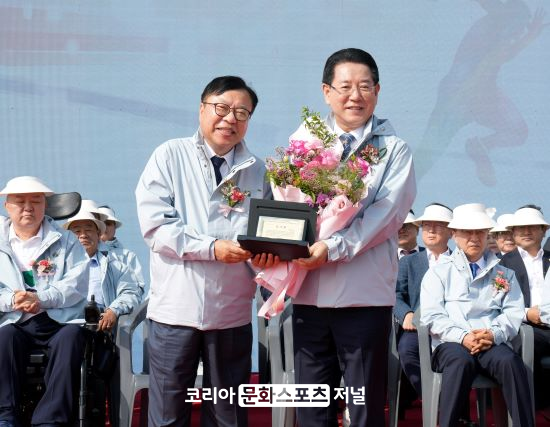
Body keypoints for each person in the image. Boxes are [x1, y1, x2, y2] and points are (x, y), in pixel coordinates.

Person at [135, 76, 276, 427]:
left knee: (228, 416)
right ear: (202, 109)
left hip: (231, 313)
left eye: (241, 112)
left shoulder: (259, 171)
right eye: (222, 108)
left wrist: (269, 258)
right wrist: (211, 248)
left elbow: (266, 233)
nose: (230, 119)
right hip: (175, 312)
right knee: (167, 416)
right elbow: (156, 227)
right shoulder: (170, 155)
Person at [291, 48, 416, 427]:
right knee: (312, 406)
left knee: (363, 406)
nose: (355, 96)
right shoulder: (304, 142)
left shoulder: (393, 149)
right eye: (345, 87)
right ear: (326, 91)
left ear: (377, 91)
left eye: (364, 86)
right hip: (310, 294)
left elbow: (386, 217)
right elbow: (288, 204)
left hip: (364, 296)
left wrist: (331, 248)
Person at [420, 203, 534, 427]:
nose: (474, 237)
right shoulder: (438, 272)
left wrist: (492, 334)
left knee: (510, 362)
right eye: (467, 231)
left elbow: (512, 312)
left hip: (490, 341)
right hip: (451, 343)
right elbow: (432, 316)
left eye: (480, 231)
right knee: (460, 362)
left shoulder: (504, 273)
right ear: (454, 234)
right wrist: (463, 336)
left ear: (487, 234)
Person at [0, 176, 89, 427]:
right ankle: (5, 417)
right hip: (13, 320)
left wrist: (41, 299)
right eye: (20, 202)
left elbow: (76, 285)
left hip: (58, 321)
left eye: (36, 201)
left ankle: (50, 420)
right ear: (7, 206)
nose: (28, 208)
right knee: (4, 338)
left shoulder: (66, 240)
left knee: (72, 338)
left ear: (45, 205)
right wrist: (11, 299)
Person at [394, 203, 453, 400]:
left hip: (453, 328)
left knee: (458, 359)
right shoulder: (409, 262)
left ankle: (450, 400)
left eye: (438, 225)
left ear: (451, 231)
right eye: (427, 225)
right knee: (406, 351)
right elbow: (396, 294)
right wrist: (406, 314)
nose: (431, 230)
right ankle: (434, 399)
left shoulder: (460, 261)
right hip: (417, 327)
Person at [499, 205, 550, 409]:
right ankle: (537, 406)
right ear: (513, 232)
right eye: (521, 227)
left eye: (533, 226)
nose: (526, 231)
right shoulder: (501, 265)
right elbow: (497, 303)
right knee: (522, 345)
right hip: (526, 327)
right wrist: (527, 314)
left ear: (543, 230)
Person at [64, 207, 143, 332]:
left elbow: (131, 293)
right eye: (77, 231)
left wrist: (113, 311)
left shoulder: (117, 265)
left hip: (100, 328)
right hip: (64, 327)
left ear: (98, 234)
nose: (83, 235)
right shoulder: (56, 266)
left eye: (88, 230)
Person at [97, 205, 145, 296]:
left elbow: (138, 287)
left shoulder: (128, 256)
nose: (104, 227)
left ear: (115, 227)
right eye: (101, 223)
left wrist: (120, 304)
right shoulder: (84, 254)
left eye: (108, 223)